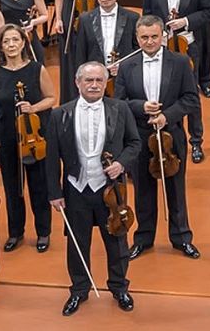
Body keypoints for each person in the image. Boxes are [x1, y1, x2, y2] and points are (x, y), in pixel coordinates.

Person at [47, 61, 140, 316]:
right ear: (77, 83)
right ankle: (79, 290)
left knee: (117, 242)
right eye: (89, 80)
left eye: (99, 80)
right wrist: (54, 193)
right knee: (78, 243)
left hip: (111, 191)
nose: (94, 85)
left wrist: (121, 164)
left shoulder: (120, 108)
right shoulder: (59, 114)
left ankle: (119, 287)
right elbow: (52, 156)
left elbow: (134, 143)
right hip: (76, 189)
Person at [115, 16, 199, 261]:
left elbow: (191, 99)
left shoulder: (181, 62)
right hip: (139, 136)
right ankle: (143, 237)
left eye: (154, 36)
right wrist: (141, 107)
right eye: (144, 37)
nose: (149, 42)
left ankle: (182, 237)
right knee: (142, 188)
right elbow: (119, 103)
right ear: (137, 38)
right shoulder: (127, 66)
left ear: (163, 35)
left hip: (171, 134)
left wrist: (166, 116)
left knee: (175, 188)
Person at [0, 23, 55, 253]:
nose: (11, 45)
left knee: (38, 186)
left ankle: (43, 231)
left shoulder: (36, 69)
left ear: (23, 43)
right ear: (0, 46)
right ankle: (16, 232)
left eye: (15, 40)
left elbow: (51, 98)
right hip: (6, 138)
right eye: (6, 41)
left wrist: (32, 108)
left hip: (33, 137)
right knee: (13, 187)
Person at [142, 0, 210, 163]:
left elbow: (209, 12)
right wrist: (158, 31)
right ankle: (168, 140)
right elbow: (147, 13)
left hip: (188, 47)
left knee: (191, 95)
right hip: (162, 46)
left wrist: (186, 21)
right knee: (164, 93)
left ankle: (196, 142)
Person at [76, 0, 139, 87]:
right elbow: (80, 53)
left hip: (127, 77)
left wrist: (124, 66)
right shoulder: (85, 19)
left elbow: (137, 50)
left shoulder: (133, 18)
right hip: (96, 81)